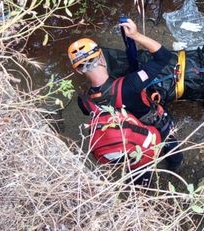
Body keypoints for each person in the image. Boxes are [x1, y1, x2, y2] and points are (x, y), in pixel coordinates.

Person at [67, 19, 183, 174]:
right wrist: (135, 35)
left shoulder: (84, 101)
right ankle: (175, 165)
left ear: (79, 71)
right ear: (101, 57)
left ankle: (141, 181)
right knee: (170, 145)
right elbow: (163, 56)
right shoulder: (130, 84)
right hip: (154, 127)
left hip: (129, 140)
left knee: (138, 163)